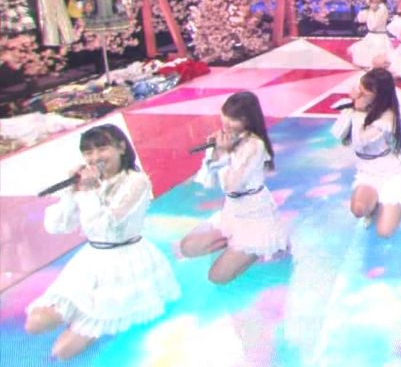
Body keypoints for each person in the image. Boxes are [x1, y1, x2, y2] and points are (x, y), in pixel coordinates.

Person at [25, 125, 180, 360]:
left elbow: (105, 229)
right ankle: (83, 314)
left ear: (121, 147)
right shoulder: (89, 182)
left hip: (124, 262)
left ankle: (99, 318)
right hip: (91, 260)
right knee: (35, 324)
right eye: (88, 152)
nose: (95, 157)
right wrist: (71, 192)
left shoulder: (136, 182)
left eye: (102, 149)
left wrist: (87, 192)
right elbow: (57, 226)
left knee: (62, 352)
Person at [181, 92, 289, 284]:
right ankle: (234, 245)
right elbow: (208, 180)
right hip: (231, 211)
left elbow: (233, 185)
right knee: (187, 248)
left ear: (247, 120)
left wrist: (225, 152)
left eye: (233, 120)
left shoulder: (255, 146)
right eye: (226, 117)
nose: (227, 123)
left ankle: (258, 247)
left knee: (217, 277)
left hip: (254, 216)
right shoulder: (228, 137)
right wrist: (215, 152)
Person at [330, 68, 401, 238]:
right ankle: (376, 204)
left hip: (390, 175)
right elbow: (338, 133)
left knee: (384, 232)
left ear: (377, 96)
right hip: (367, 172)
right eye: (359, 90)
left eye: (364, 93)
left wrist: (358, 113)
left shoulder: (388, 117)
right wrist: (352, 108)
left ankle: (399, 204)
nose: (359, 95)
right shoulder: (358, 107)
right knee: (358, 210)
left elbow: (360, 142)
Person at [350, 0, 391, 68]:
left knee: (377, 61)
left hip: (379, 38)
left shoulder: (382, 8)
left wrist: (371, 9)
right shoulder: (372, 7)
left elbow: (373, 25)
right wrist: (366, 7)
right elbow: (360, 19)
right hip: (370, 36)